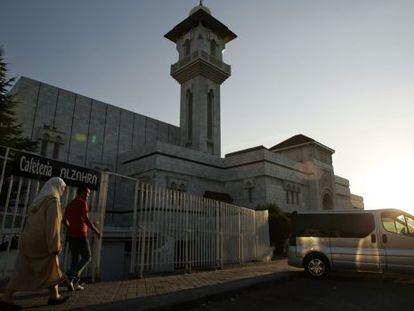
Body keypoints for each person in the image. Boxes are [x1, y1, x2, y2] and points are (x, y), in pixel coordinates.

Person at [0, 177, 69, 310]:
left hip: (28, 239)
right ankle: (54, 296)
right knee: (52, 264)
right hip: (41, 242)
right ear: (57, 187)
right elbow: (52, 225)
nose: (63, 192)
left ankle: (53, 295)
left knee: (23, 269)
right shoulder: (53, 201)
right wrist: (55, 245)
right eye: (63, 189)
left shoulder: (39, 200)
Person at [64, 185, 101, 290]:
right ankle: (70, 275)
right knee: (87, 257)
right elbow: (86, 219)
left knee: (75, 259)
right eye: (87, 193)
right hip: (80, 235)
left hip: (71, 236)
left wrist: (70, 228)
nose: (88, 195)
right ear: (81, 192)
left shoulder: (70, 204)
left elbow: (64, 221)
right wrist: (96, 231)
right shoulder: (82, 203)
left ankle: (73, 283)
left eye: (89, 194)